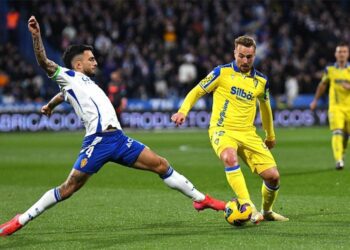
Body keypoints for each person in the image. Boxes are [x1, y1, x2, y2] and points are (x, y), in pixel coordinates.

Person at [0, 16, 225, 237]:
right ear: (78, 64)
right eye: (91, 59)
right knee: (67, 189)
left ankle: (201, 200)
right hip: (97, 141)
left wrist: (50, 105)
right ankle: (20, 220)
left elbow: (64, 95)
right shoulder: (67, 76)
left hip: (118, 139)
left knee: (161, 164)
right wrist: (37, 36)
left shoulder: (81, 83)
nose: (95, 62)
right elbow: (43, 62)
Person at [172, 35, 289, 223]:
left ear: (255, 55)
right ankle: (248, 207)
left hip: (248, 133)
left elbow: (266, 108)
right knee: (229, 157)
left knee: (273, 177)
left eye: (249, 57)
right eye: (241, 56)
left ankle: (267, 212)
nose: (244, 60)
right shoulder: (221, 73)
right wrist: (182, 111)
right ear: (235, 52)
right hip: (222, 129)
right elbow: (197, 90)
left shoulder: (261, 81)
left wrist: (270, 135)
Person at [310, 43, 350, 170]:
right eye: (339, 52)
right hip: (335, 107)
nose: (341, 54)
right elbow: (322, 85)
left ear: (347, 54)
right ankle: (338, 160)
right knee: (337, 131)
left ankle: (341, 153)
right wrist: (315, 100)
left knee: (346, 136)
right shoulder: (330, 70)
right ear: (335, 54)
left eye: (344, 52)